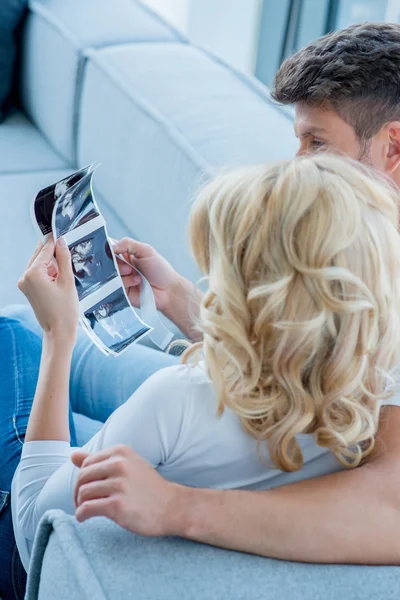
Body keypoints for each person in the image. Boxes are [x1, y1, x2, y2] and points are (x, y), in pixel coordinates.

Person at [1, 19, 400, 600]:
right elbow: (303, 348)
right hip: (250, 420)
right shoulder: (362, 270)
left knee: (17, 344)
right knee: (38, 361)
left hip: (89, 501)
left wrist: (61, 334)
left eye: (317, 144)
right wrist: (188, 307)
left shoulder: (176, 403)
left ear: (394, 145)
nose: (296, 165)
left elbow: (38, 522)